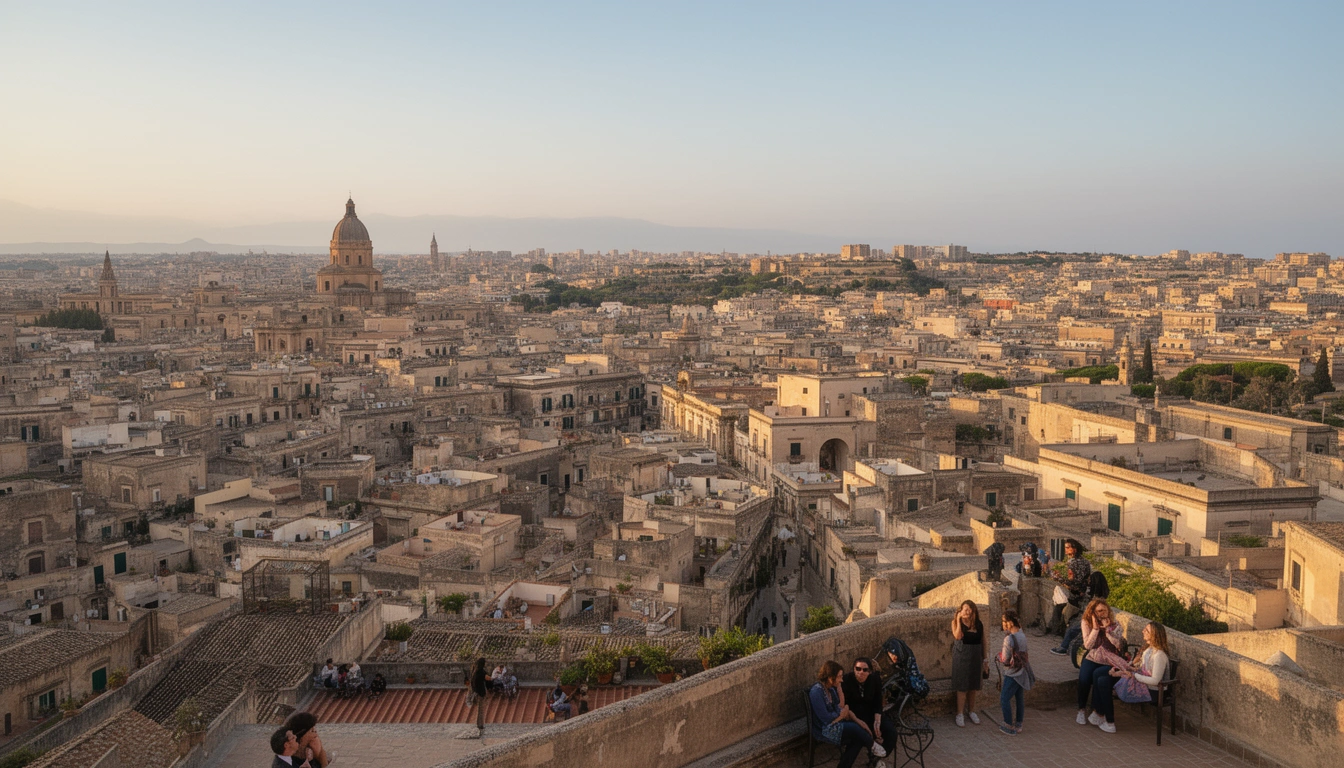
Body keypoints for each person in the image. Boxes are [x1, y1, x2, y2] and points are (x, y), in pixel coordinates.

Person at [808, 660, 886, 768]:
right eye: (839, 677)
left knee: (858, 737)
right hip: (824, 729)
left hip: (836, 723)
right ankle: (872, 745)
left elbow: (839, 706)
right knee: (855, 729)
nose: (841, 679)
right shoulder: (816, 692)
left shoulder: (831, 689)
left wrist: (839, 691)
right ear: (831, 677)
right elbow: (825, 718)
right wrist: (840, 715)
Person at [1076, 598, 1125, 733]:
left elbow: (1118, 645)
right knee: (1084, 678)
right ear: (1093, 612)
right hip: (1093, 657)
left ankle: (1097, 711)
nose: (1102, 614)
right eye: (1098, 611)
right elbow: (1088, 645)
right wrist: (1096, 629)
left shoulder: (1116, 625)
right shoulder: (1087, 623)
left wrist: (1108, 630)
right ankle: (1081, 709)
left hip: (1109, 661)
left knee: (1099, 677)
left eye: (1104, 610)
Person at [840, 657, 897, 757]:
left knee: (891, 732)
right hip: (855, 716)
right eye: (858, 669)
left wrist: (877, 718)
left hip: (872, 713)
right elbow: (846, 705)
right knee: (858, 740)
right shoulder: (846, 680)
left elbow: (878, 700)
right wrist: (858, 721)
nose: (861, 672)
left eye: (865, 670)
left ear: (869, 671)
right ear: (854, 669)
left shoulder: (874, 679)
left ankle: (878, 757)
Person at [1053, 570, 1110, 655]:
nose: (1089, 581)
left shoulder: (1095, 597)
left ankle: (1064, 648)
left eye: (1090, 580)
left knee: (1072, 630)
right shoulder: (1100, 595)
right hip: (1090, 619)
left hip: (1090, 619)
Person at [1112, 622, 1171, 703]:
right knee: (1109, 679)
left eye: (1146, 630)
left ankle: (1102, 713)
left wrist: (1135, 675)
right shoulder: (1149, 650)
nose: (1143, 631)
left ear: (1154, 636)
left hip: (1154, 691)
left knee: (1110, 684)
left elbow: (1155, 681)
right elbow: (1141, 667)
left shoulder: (1159, 655)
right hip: (1145, 686)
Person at [949, 600, 986, 727]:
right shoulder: (955, 622)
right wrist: (959, 620)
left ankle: (971, 711)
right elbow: (958, 636)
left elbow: (983, 641)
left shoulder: (978, 624)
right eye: (965, 609)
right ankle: (960, 713)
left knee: (973, 686)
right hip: (961, 657)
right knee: (962, 686)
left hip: (975, 657)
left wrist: (985, 659)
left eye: (969, 609)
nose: (967, 612)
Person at [997, 610, 1033, 736]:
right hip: (1022, 671)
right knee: (1019, 698)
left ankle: (1008, 725)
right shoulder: (1022, 634)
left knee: (1004, 698)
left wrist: (999, 658)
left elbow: (1006, 660)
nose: (1003, 624)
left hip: (1012, 673)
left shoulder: (1009, 639)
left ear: (1011, 623)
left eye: (1004, 621)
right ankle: (1018, 724)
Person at [1048, 540, 1091, 637]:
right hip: (1083, 591)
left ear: (1074, 549)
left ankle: (1056, 630)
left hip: (1076, 594)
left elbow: (1072, 582)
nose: (1065, 550)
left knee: (1058, 603)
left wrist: (1056, 577)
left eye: (1068, 548)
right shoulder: (1085, 561)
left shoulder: (1072, 563)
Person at [468, 657, 488, 737]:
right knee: (481, 710)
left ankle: (479, 724)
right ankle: (480, 725)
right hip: (481, 693)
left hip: (477, 693)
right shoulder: (481, 672)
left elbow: (472, 683)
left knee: (480, 710)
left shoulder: (475, 672)